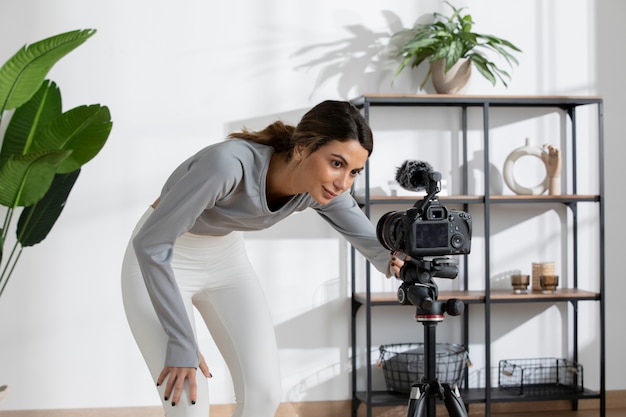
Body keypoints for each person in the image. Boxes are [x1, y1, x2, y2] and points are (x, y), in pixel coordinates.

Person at [121, 100, 405, 417]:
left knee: (265, 393)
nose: (343, 183)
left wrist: (394, 259)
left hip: (226, 261)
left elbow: (367, 236)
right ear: (301, 149)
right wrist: (181, 339)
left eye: (354, 172)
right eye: (336, 164)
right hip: (163, 259)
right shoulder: (227, 166)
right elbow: (151, 243)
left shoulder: (319, 188)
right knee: (188, 402)